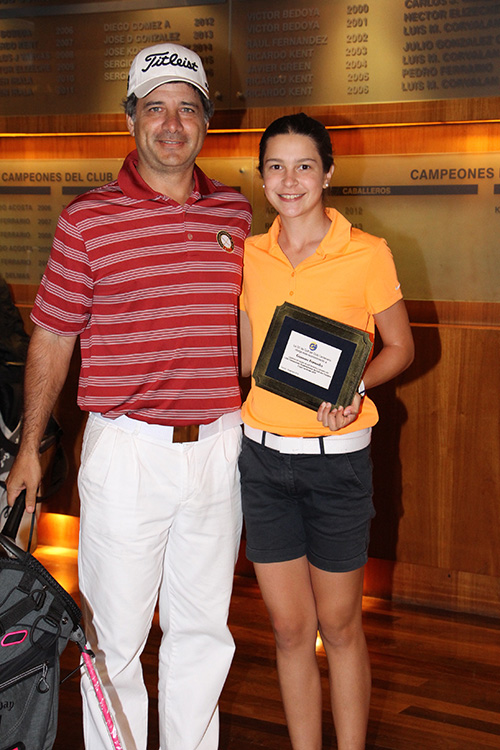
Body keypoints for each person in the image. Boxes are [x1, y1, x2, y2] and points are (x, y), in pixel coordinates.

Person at [7, 43, 252, 750]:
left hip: (218, 447)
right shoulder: (87, 220)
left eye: (187, 109)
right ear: (130, 119)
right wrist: (29, 448)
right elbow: (53, 337)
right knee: (112, 641)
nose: (172, 124)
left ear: (206, 122)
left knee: (203, 634)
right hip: (126, 450)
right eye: (156, 108)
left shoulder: (237, 214)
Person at [238, 113, 414, 750]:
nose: (290, 181)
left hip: (335, 461)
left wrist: (353, 388)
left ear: (328, 173)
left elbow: (401, 347)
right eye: (276, 167)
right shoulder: (249, 254)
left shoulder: (367, 252)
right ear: (262, 177)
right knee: (289, 630)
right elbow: (247, 362)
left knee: (338, 627)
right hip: (261, 463)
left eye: (304, 166)